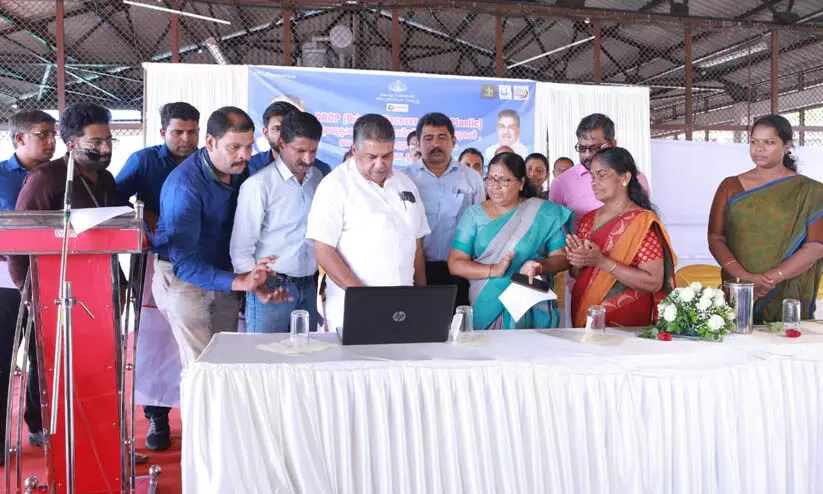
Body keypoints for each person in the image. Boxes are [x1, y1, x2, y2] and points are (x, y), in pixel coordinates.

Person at [152, 107, 287, 366]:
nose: (244, 155)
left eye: (248, 146)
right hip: (184, 278)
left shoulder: (241, 170)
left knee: (226, 363)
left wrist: (252, 281)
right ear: (211, 142)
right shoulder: (184, 186)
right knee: (201, 368)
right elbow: (184, 263)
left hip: (223, 273)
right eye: (234, 147)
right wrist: (240, 281)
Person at [116, 102, 200, 452]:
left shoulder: (207, 160)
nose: (185, 139)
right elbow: (112, 200)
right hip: (153, 260)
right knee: (155, 337)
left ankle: (200, 416)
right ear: (163, 131)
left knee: (196, 336)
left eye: (192, 131)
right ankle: (157, 416)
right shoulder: (144, 161)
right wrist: (147, 217)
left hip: (200, 261)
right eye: (178, 132)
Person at [306, 114, 429, 333]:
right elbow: (323, 251)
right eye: (371, 157)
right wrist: (364, 299)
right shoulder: (334, 186)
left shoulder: (405, 183)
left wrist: (422, 297)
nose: (380, 165)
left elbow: (417, 246)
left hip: (403, 309)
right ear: (354, 150)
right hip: (355, 309)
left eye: (387, 156)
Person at [709, 115, 823, 323]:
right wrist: (746, 279)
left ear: (787, 145)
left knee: (786, 339)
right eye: (754, 142)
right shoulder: (730, 186)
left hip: (787, 291)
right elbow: (716, 238)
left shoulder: (810, 190)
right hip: (740, 289)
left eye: (769, 142)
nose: (759, 149)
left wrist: (771, 278)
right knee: (737, 334)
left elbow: (815, 246)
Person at [447, 152, 571, 329]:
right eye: (491, 179)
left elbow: (562, 258)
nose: (495, 186)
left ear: (521, 183)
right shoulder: (473, 215)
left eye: (504, 180)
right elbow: (455, 263)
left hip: (530, 305)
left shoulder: (543, 213)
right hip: (485, 303)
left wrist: (539, 266)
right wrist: (493, 270)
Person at [231, 111, 323, 333]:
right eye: (300, 151)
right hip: (271, 286)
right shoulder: (259, 185)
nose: (308, 159)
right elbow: (241, 250)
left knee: (307, 353)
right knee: (264, 353)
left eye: (313, 151)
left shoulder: (317, 178)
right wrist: (258, 287)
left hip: (308, 286)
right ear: (281, 143)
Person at [567, 147, 676, 328]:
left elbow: (653, 282)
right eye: (592, 176)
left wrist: (602, 262)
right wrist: (577, 262)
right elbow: (578, 274)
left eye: (602, 175)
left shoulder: (642, 222)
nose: (594, 183)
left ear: (625, 178)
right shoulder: (588, 219)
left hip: (626, 322)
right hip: (585, 313)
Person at [0, 110, 56, 460]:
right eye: (43, 134)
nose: (51, 141)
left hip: (52, 277)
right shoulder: (1, 176)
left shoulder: (61, 176)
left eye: (54, 135)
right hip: (6, 281)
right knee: (3, 360)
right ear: (20, 138)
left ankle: (39, 425)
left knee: (44, 358)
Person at [402, 112, 485, 308]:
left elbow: (482, 226)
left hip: (460, 270)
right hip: (414, 269)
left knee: (459, 324)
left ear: (453, 141)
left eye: (442, 137)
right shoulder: (404, 179)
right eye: (428, 138)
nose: (435, 144)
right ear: (418, 143)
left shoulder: (471, 179)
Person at [549, 113, 650, 227]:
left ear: (612, 144)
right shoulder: (562, 183)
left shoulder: (637, 178)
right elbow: (553, 230)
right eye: (582, 148)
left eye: (594, 148)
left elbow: (642, 224)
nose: (587, 155)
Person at [248, 101, 331, 176]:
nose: (284, 134)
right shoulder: (250, 165)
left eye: (290, 129)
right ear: (266, 133)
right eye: (277, 128)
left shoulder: (321, 170)